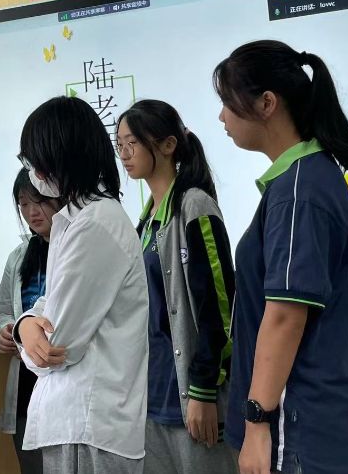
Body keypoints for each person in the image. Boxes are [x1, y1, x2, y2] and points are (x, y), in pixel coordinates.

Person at [213, 41, 348, 474]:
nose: (222, 117)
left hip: (299, 424)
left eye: (227, 102)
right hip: (314, 422)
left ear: (267, 103)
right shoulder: (305, 179)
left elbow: (286, 315)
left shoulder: (300, 190)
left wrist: (256, 424)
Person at [13, 96, 149, 474]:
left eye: (36, 160)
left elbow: (57, 346)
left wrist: (31, 334)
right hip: (79, 422)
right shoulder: (76, 217)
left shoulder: (94, 223)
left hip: (89, 423)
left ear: (62, 156)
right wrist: (26, 325)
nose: (34, 171)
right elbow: (47, 306)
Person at [116, 99, 238, 474]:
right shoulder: (145, 223)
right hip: (152, 394)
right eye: (119, 144)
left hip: (191, 394)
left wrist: (203, 389)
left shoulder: (194, 206)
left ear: (168, 145)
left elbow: (220, 307)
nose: (124, 153)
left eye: (132, 142)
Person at [0, 168, 61, 474]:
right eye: (23, 204)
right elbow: (1, 311)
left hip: (59, 370)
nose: (32, 212)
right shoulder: (19, 255)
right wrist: (4, 331)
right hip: (26, 385)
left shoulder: (75, 247)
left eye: (40, 201)